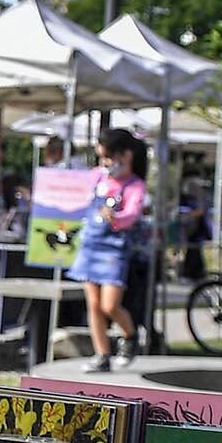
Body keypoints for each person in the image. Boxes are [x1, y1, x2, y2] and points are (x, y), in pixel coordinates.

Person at [69, 129, 149, 372]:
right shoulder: (98, 178)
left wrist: (117, 218)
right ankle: (102, 354)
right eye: (102, 157)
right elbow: (76, 186)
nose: (105, 163)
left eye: (109, 157)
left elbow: (133, 214)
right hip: (90, 246)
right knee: (93, 304)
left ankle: (130, 335)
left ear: (126, 156)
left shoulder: (135, 186)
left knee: (110, 305)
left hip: (114, 250)